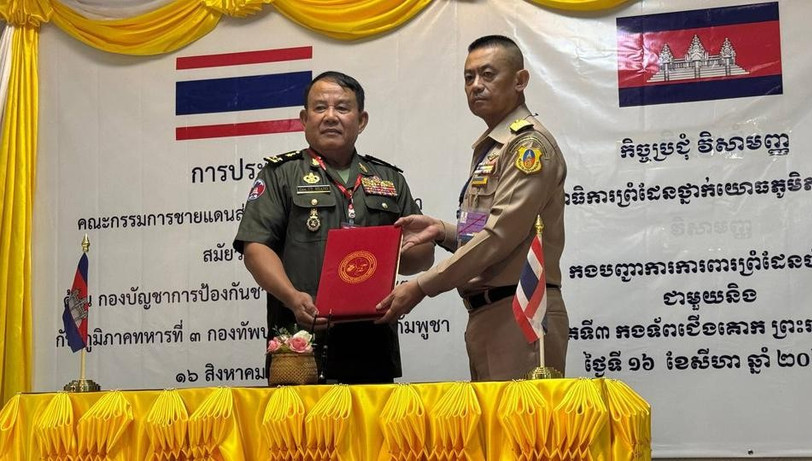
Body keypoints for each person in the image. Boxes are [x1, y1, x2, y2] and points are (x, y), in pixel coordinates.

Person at [376, 35, 569, 381]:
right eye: (469, 77)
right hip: (488, 316)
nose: (476, 85)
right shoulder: (494, 147)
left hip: (520, 315)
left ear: (520, 80)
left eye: (488, 74)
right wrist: (443, 232)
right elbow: (489, 229)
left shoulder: (527, 146)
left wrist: (421, 286)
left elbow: (499, 235)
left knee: (520, 419)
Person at [233, 71, 434, 384]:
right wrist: (292, 297)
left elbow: (422, 255)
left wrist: (405, 252)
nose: (330, 116)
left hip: (372, 344)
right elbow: (256, 248)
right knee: (299, 419)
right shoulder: (280, 174)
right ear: (304, 119)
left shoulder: (389, 179)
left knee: (370, 418)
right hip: (299, 343)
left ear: (361, 120)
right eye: (319, 108)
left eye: (342, 108)